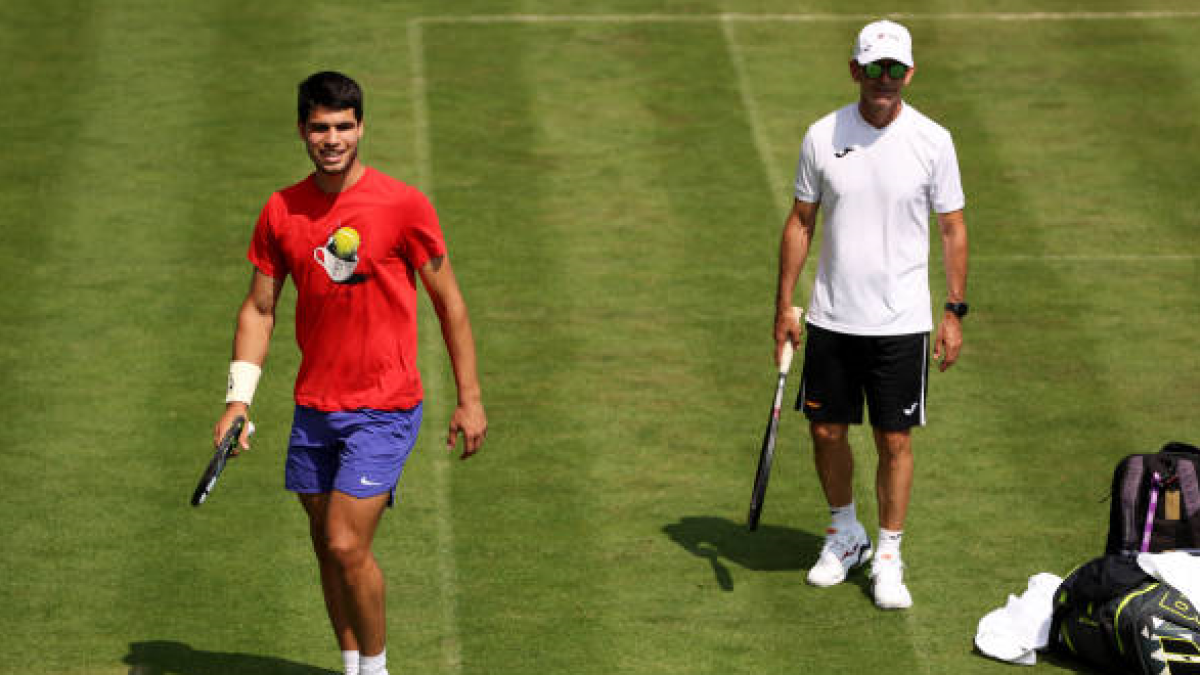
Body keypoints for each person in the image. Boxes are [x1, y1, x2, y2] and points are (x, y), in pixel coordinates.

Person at [213, 71, 487, 675]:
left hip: (385, 408)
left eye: (343, 126)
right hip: (315, 407)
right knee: (326, 548)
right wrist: (239, 401)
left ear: (361, 127)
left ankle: (378, 670)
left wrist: (470, 398)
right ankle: (352, 665)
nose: (331, 138)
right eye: (320, 127)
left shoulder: (404, 205)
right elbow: (260, 309)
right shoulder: (281, 210)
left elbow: (451, 305)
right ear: (302, 131)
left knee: (345, 542)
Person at [773, 20, 968, 610]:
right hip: (832, 319)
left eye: (894, 70)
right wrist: (784, 303)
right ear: (855, 70)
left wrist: (954, 309)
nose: (884, 80)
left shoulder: (933, 141)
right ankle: (844, 533)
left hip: (902, 324)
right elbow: (801, 221)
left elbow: (953, 227)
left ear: (909, 74)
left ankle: (888, 551)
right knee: (827, 430)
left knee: (894, 441)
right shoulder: (821, 135)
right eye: (873, 68)